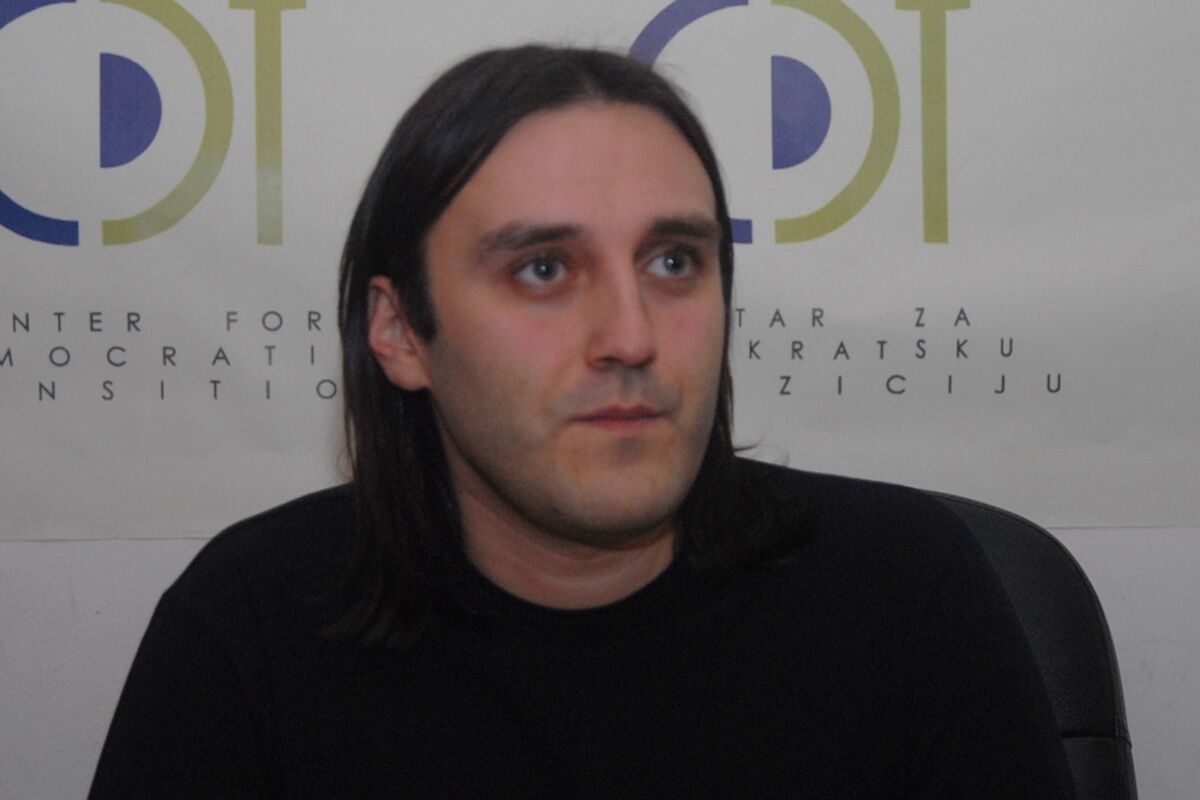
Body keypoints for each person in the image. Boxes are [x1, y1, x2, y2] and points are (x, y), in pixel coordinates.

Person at [89, 45, 1076, 798]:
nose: (632, 337)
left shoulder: (906, 590)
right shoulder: (253, 626)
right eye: (544, 269)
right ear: (400, 331)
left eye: (674, 261)